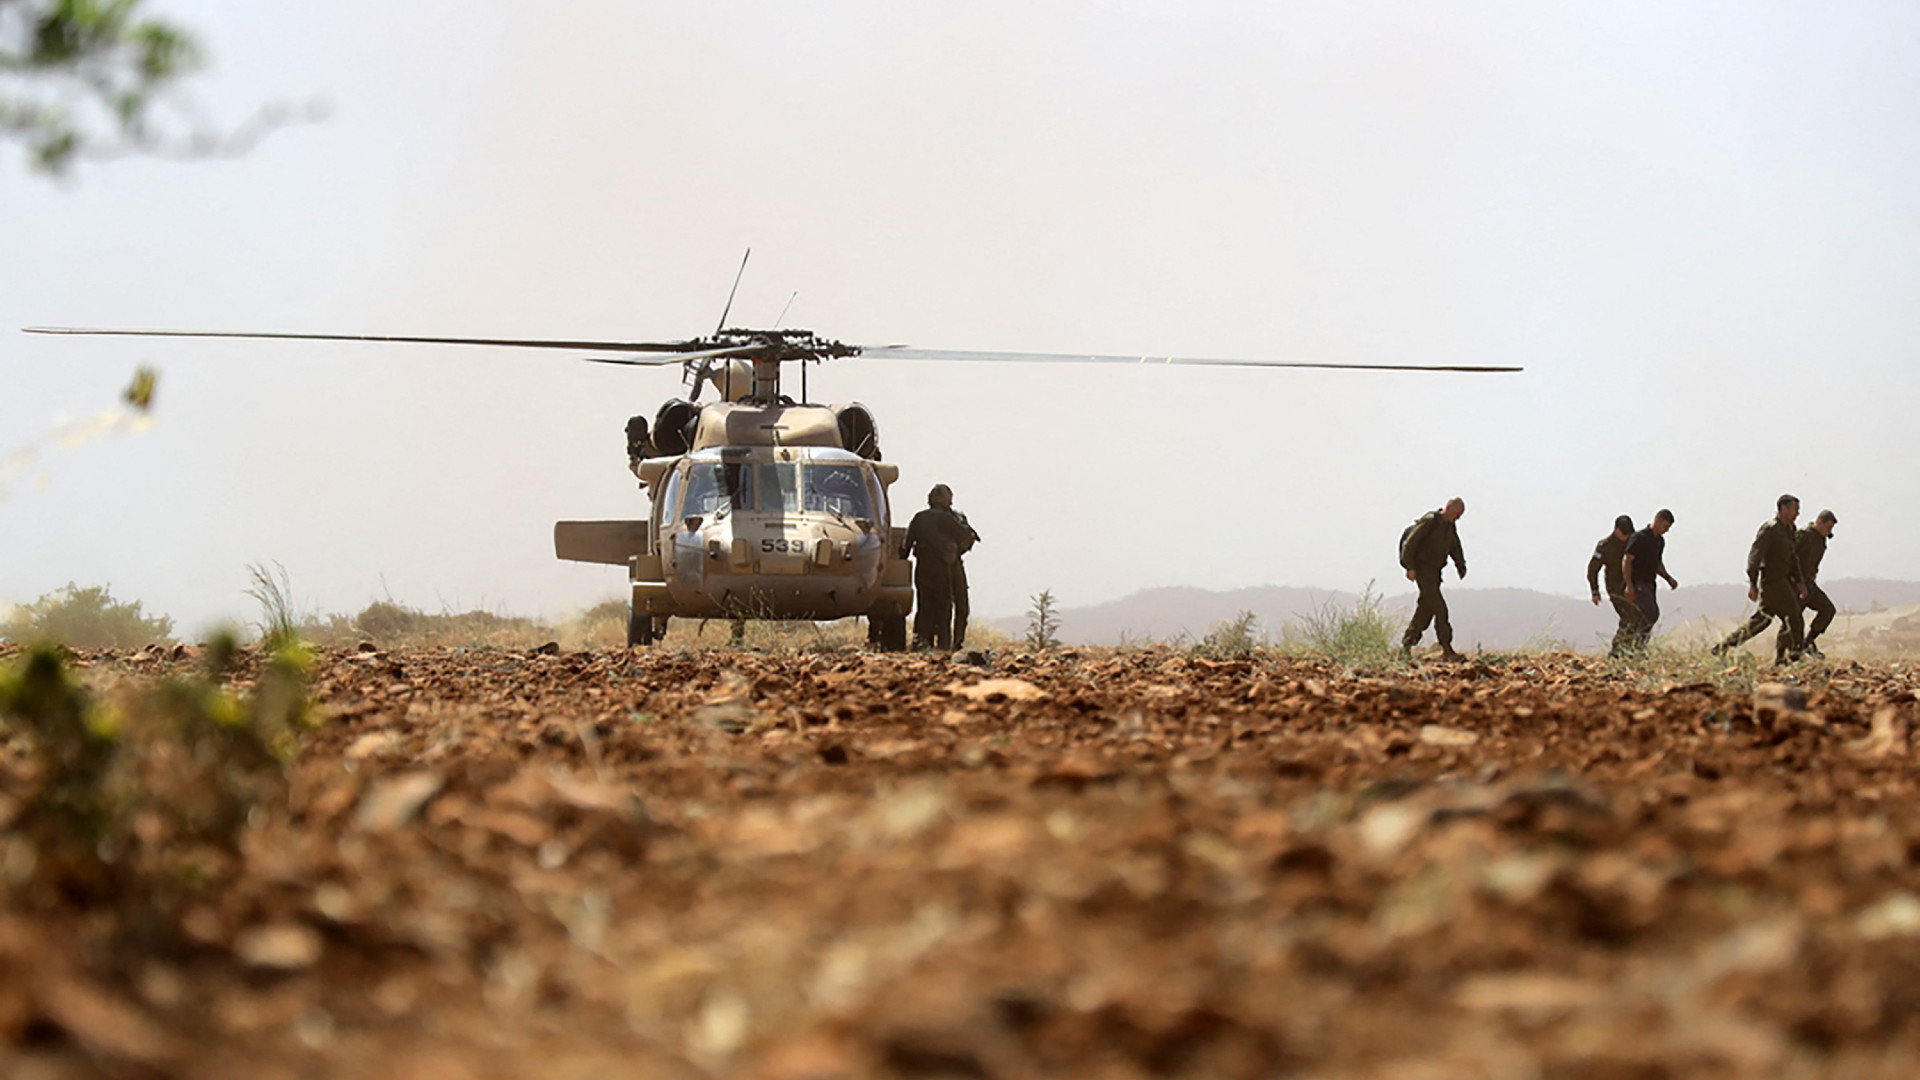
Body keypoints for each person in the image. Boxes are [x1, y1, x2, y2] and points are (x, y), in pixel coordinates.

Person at [1714, 494, 1808, 663]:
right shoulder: (1770, 529)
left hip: (1782, 580)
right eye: (1795, 509)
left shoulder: (1789, 530)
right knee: (1794, 617)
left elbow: (1793, 558)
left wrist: (1800, 581)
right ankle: (1795, 655)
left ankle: (1724, 646)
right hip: (1773, 582)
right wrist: (1752, 583)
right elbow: (1755, 556)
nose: (1797, 513)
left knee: (1761, 620)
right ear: (1783, 509)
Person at [899, 484, 971, 650]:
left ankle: (921, 642)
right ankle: (943, 645)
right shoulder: (946, 519)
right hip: (941, 568)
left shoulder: (919, 518)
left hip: (922, 568)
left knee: (924, 606)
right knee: (944, 607)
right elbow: (965, 535)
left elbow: (906, 544)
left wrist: (901, 559)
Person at [1399, 497, 1467, 662]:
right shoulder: (1430, 521)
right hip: (1423, 571)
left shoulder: (1449, 526)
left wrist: (1460, 564)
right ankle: (1447, 649)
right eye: (1456, 514)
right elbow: (1410, 543)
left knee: (1425, 611)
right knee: (1440, 609)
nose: (1457, 518)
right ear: (1448, 508)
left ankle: (1406, 647)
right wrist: (1409, 567)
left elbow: (1454, 545)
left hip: (1435, 573)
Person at [1620, 509, 1679, 651]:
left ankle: (1633, 647)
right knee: (1652, 613)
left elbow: (1657, 563)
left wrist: (1668, 578)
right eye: (1665, 526)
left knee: (1643, 616)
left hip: (1650, 583)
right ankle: (1637, 646)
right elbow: (1627, 560)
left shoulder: (1659, 541)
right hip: (1637, 582)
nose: (1666, 530)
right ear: (1657, 521)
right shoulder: (1639, 538)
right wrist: (1629, 586)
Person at [1587, 514, 1638, 657]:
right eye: (1623, 533)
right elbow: (1592, 569)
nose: (1626, 537)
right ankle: (1617, 650)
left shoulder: (1633, 541)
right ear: (1616, 529)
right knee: (1628, 616)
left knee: (1640, 616)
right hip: (1615, 586)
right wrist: (1595, 591)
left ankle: (1632, 649)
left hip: (1632, 584)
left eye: (1628, 534)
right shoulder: (1604, 546)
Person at [1793, 509, 1839, 658]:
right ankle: (1788, 654)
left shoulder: (1821, 540)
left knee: (1827, 610)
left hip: (1809, 584)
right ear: (1819, 522)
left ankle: (1809, 641)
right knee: (1793, 620)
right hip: (1795, 584)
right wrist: (1795, 580)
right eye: (1828, 527)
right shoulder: (1804, 535)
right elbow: (1789, 556)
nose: (1829, 531)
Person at [948, 504, 982, 649]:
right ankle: (949, 642)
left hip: (951, 564)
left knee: (959, 607)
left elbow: (970, 537)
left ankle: (954, 642)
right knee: (944, 607)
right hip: (946, 566)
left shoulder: (956, 518)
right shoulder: (950, 519)